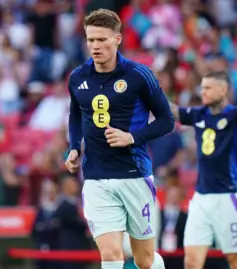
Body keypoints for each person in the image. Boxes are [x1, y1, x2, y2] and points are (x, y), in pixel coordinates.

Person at [65, 9, 175, 269]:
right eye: (91, 40)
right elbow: (74, 115)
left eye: (102, 39)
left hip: (134, 174)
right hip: (96, 177)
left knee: (145, 260)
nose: (95, 46)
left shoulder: (139, 75)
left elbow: (166, 120)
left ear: (117, 39)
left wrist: (132, 137)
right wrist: (73, 148)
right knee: (111, 254)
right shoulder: (78, 77)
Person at [168, 69, 237, 269]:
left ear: (223, 90)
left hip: (229, 197)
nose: (202, 91)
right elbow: (172, 111)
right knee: (191, 261)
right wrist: (147, 89)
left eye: (207, 87)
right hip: (202, 197)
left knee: (236, 260)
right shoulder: (198, 114)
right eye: (202, 87)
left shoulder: (234, 115)